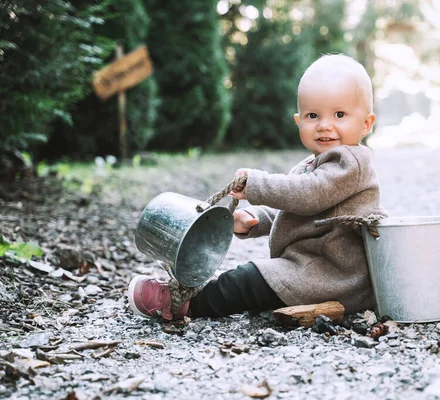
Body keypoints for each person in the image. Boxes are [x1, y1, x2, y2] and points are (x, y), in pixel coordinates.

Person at [128, 54, 388, 321]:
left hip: (336, 277)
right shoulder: (311, 165)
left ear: (366, 124)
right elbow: (301, 210)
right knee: (252, 278)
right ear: (299, 122)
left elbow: (310, 195)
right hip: (311, 268)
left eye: (339, 114)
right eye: (313, 115)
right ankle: (190, 291)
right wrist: (259, 219)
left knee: (247, 280)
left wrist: (257, 184)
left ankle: (179, 304)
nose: (324, 125)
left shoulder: (351, 162)